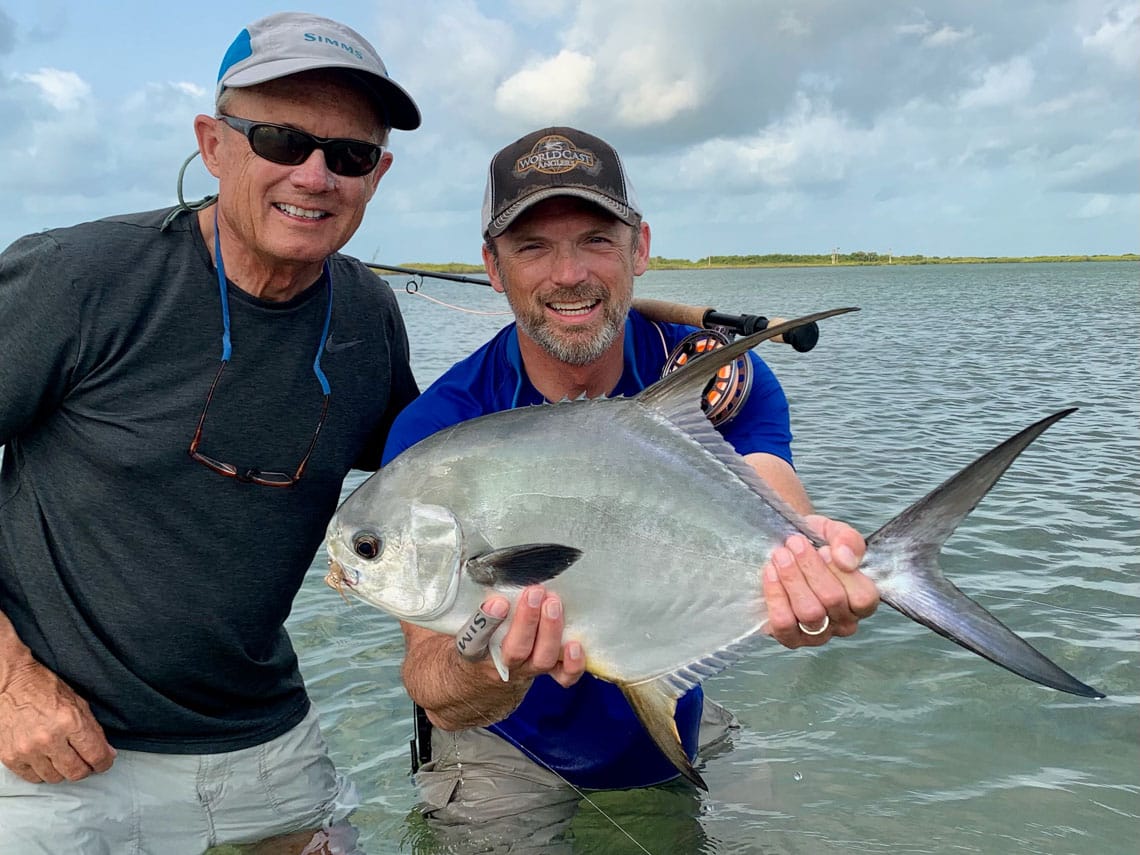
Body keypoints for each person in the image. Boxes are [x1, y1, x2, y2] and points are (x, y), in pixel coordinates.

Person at [0, 12, 420, 853]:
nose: (314, 174)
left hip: (264, 741)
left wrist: (659, 384)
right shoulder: (78, 276)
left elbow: (441, 471)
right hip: (51, 746)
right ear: (214, 142)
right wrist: (7, 682)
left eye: (348, 156)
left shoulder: (369, 314)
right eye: (279, 138)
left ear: (377, 175)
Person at [380, 127, 880, 832]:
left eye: (595, 239)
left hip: (671, 714)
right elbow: (433, 686)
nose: (568, 274)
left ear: (639, 247)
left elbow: (773, 501)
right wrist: (496, 665)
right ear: (493, 267)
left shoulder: (719, 380)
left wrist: (811, 582)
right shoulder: (438, 433)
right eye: (532, 247)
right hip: (501, 749)